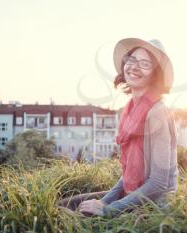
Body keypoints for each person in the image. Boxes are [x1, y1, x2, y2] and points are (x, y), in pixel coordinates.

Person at [57, 38, 179, 217]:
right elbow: (129, 174)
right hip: (134, 193)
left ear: (155, 74)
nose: (135, 67)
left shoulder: (157, 112)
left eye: (145, 63)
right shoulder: (130, 110)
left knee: (72, 217)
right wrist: (104, 201)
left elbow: (159, 184)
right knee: (66, 204)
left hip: (155, 203)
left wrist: (109, 209)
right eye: (132, 60)